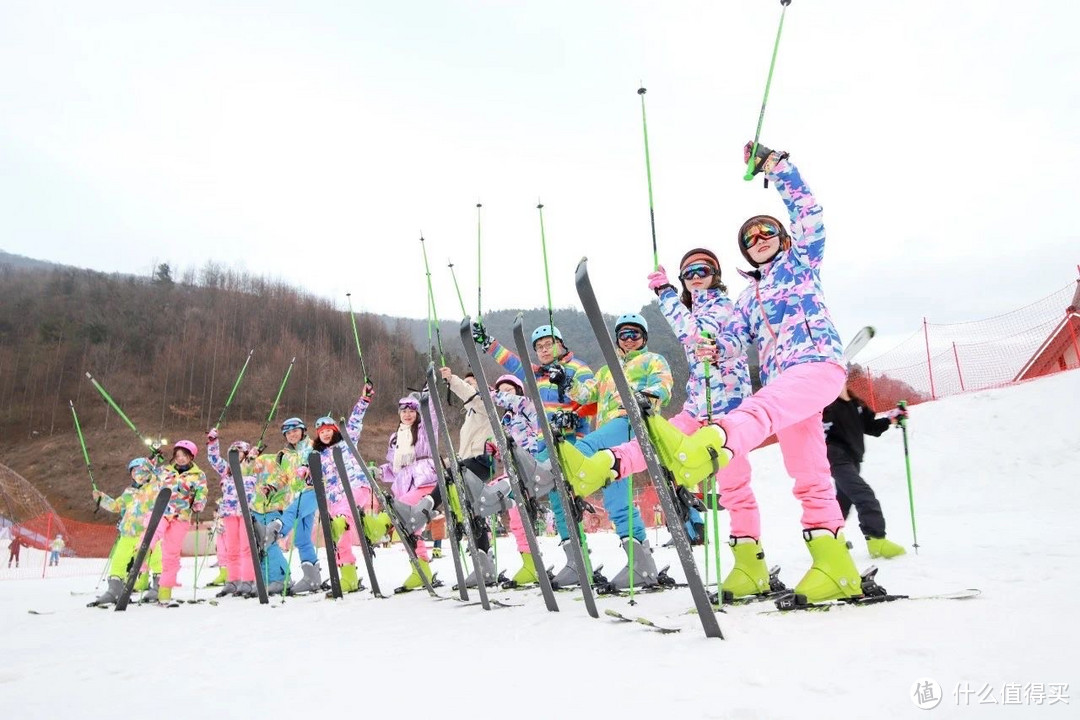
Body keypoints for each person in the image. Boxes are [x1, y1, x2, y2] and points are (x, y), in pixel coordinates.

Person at [565, 142, 864, 604]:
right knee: (806, 470)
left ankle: (711, 446)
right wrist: (683, 315)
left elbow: (809, 212)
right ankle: (826, 561)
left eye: (766, 232)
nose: (758, 240)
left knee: (757, 421)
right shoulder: (747, 301)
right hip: (772, 386)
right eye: (749, 239)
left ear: (783, 239)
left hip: (811, 366)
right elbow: (726, 340)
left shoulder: (801, 262)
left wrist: (776, 168)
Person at [473, 322, 595, 587]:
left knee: (566, 500)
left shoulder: (579, 368)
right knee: (558, 502)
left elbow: (591, 401)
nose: (543, 350)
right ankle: (575, 561)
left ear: (561, 344)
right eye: (538, 347)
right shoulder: (537, 374)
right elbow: (512, 362)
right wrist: (488, 343)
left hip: (570, 442)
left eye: (548, 344)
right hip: (543, 443)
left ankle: (581, 559)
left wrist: (572, 418)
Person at [565, 313, 673, 590]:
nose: (628, 340)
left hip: (631, 422)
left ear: (644, 338)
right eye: (623, 335)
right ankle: (642, 566)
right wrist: (567, 382)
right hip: (610, 433)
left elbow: (664, 385)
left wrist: (645, 397)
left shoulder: (653, 360)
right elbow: (585, 395)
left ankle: (574, 484)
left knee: (584, 447)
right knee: (617, 501)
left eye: (634, 334)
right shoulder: (606, 370)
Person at [308, 382, 383, 594]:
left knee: (340, 520)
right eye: (321, 432)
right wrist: (306, 476)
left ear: (335, 431)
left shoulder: (346, 444)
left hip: (355, 488)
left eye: (328, 430)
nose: (325, 434)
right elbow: (311, 477)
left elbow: (355, 422)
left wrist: (364, 400)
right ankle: (348, 578)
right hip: (335, 499)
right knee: (339, 538)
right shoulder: (317, 456)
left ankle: (374, 527)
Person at [823, 381, 908, 559]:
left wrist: (893, 418)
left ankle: (826, 539)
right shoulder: (826, 405)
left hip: (853, 459)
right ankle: (876, 540)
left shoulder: (856, 405)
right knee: (864, 495)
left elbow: (870, 427)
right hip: (836, 458)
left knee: (843, 503)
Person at [378, 395, 439, 591]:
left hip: (424, 480)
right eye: (404, 411)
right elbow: (393, 468)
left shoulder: (423, 429)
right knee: (411, 529)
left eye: (411, 411)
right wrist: (380, 472)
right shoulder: (395, 437)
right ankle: (421, 571)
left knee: (402, 514)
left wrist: (427, 397)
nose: (407, 415)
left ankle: (421, 571)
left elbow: (433, 417)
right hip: (404, 482)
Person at [90, 458, 165, 605]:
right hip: (128, 532)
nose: (137, 474)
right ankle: (114, 589)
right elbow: (116, 506)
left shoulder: (155, 486)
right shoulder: (129, 491)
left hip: (148, 532)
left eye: (140, 470)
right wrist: (102, 499)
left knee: (155, 558)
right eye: (133, 471)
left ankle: (159, 586)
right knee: (119, 559)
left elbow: (164, 480)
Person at [152, 440, 208, 604]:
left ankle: (164, 591)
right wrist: (154, 457)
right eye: (177, 455)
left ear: (191, 456)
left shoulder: (198, 475)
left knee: (171, 553)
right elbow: (147, 475)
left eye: (184, 455)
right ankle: (142, 558)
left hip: (181, 516)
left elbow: (201, 492)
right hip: (162, 512)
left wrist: (198, 504)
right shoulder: (165, 471)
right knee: (153, 536)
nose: (180, 458)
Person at [272, 417, 320, 594]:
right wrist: (271, 487)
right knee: (302, 539)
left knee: (291, 512)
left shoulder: (314, 445)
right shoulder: (283, 455)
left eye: (295, 431)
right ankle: (312, 579)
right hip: (295, 495)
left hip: (313, 490)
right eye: (288, 432)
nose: (292, 435)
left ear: (302, 431)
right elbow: (281, 478)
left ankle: (277, 531)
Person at [206, 432, 257, 598]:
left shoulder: (252, 468)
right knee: (232, 548)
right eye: (233, 451)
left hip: (245, 511)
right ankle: (232, 580)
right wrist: (213, 441)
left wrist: (255, 458)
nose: (236, 454)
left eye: (239, 451)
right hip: (228, 512)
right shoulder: (226, 470)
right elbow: (213, 459)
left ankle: (248, 579)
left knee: (246, 547)